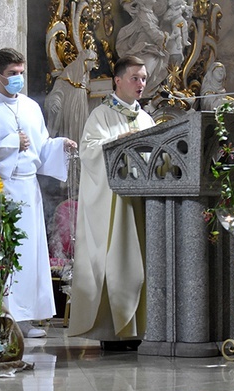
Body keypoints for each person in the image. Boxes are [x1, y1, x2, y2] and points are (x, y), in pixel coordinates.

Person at [0, 48, 78, 338]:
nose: (18, 79)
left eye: (21, 73)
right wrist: (11, 141)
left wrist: (59, 145)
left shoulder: (30, 107)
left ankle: (25, 319)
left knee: (27, 254)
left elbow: (41, 146)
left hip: (27, 189)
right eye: (13, 74)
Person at [67, 55, 156, 350]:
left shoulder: (146, 118)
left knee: (141, 264)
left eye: (143, 78)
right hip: (114, 206)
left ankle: (140, 327)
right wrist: (121, 142)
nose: (141, 83)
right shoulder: (101, 115)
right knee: (117, 262)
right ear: (117, 81)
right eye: (135, 78)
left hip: (142, 204)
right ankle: (112, 331)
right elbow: (89, 152)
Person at [115, 0, 169, 99]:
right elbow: (149, 28)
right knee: (146, 71)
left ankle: (143, 93)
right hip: (143, 48)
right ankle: (140, 94)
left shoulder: (149, 12)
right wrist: (162, 38)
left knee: (155, 69)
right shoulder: (143, 12)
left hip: (151, 48)